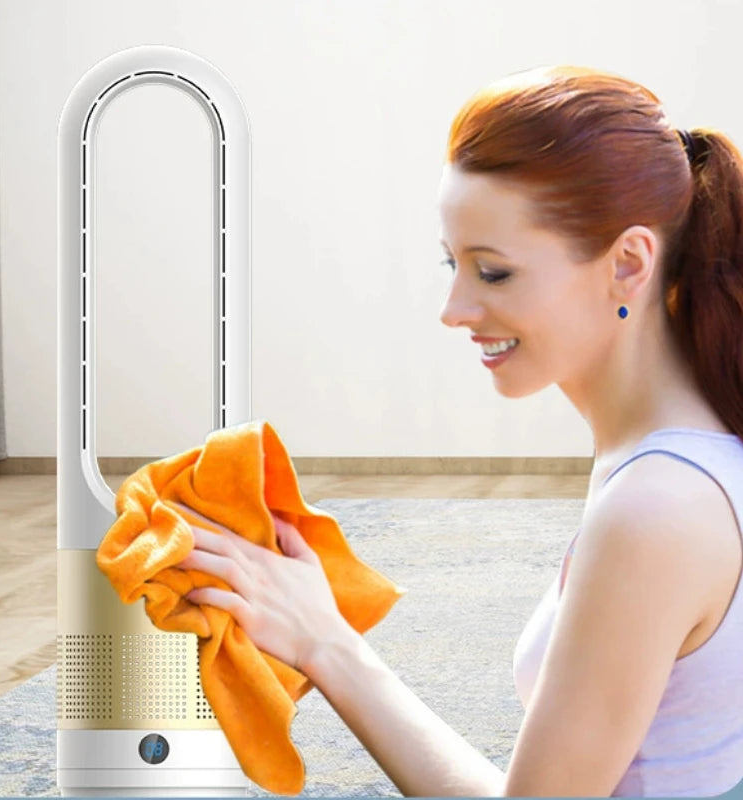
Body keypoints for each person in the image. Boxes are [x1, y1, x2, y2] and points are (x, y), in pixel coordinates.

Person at [178, 65, 743, 797]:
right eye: (454, 264)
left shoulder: (658, 507)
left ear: (628, 263)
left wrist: (327, 644)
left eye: (493, 273)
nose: (453, 309)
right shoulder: (679, 455)